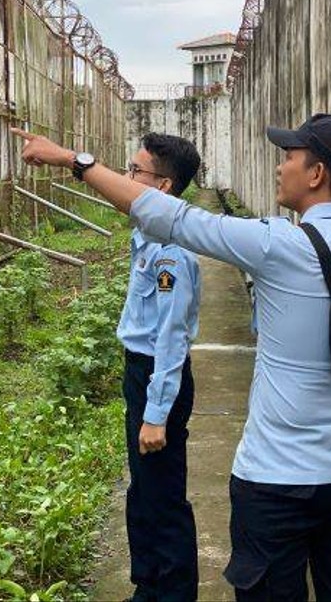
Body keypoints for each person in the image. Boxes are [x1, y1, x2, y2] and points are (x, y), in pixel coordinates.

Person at [12, 113, 331, 602]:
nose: (279, 167)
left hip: (273, 481)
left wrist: (72, 160)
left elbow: (172, 218)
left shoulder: (275, 244)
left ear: (316, 174)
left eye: (289, 157)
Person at [88, 132, 202, 602]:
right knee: (144, 491)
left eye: (135, 172)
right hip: (141, 372)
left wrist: (156, 414)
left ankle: (172, 591)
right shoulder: (148, 239)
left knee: (163, 496)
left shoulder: (171, 253)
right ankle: (148, 585)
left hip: (159, 377)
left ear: (163, 187)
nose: (126, 178)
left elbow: (171, 338)